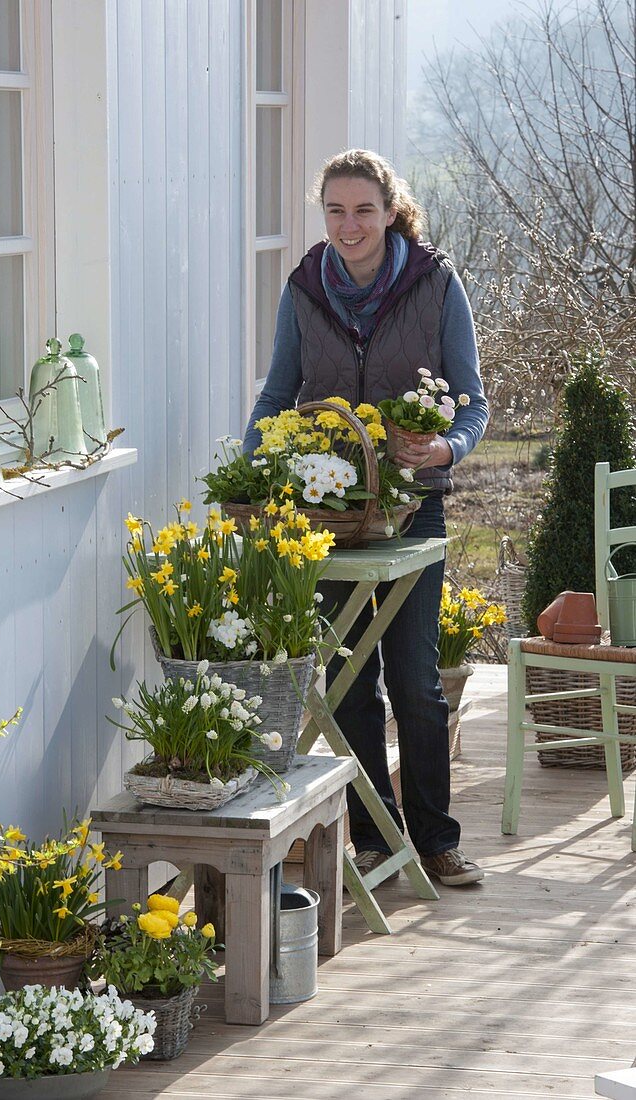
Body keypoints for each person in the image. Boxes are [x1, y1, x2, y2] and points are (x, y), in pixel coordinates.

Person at [243, 149, 489, 887]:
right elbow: (276, 395)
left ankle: (437, 840)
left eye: (364, 210)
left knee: (416, 679)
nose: (349, 226)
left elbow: (474, 401)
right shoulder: (303, 289)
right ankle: (376, 836)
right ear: (324, 215)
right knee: (349, 681)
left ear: (390, 212)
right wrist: (255, 467)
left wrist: (445, 444)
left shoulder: (436, 283)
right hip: (329, 513)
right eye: (335, 211)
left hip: (415, 509)